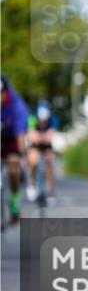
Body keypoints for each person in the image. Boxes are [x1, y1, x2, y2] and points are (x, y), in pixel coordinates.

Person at [1, 75, 30, 225]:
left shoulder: (17, 106)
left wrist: (22, 157)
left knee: (13, 167)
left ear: (6, 92)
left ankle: (14, 204)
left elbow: (20, 136)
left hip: (12, 143)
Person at [26, 100, 58, 203]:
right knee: (33, 159)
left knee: (50, 159)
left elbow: (51, 136)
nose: (43, 121)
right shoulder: (32, 119)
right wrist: (37, 136)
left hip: (47, 146)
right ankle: (32, 183)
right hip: (35, 146)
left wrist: (44, 137)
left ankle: (50, 191)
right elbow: (32, 135)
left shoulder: (53, 120)